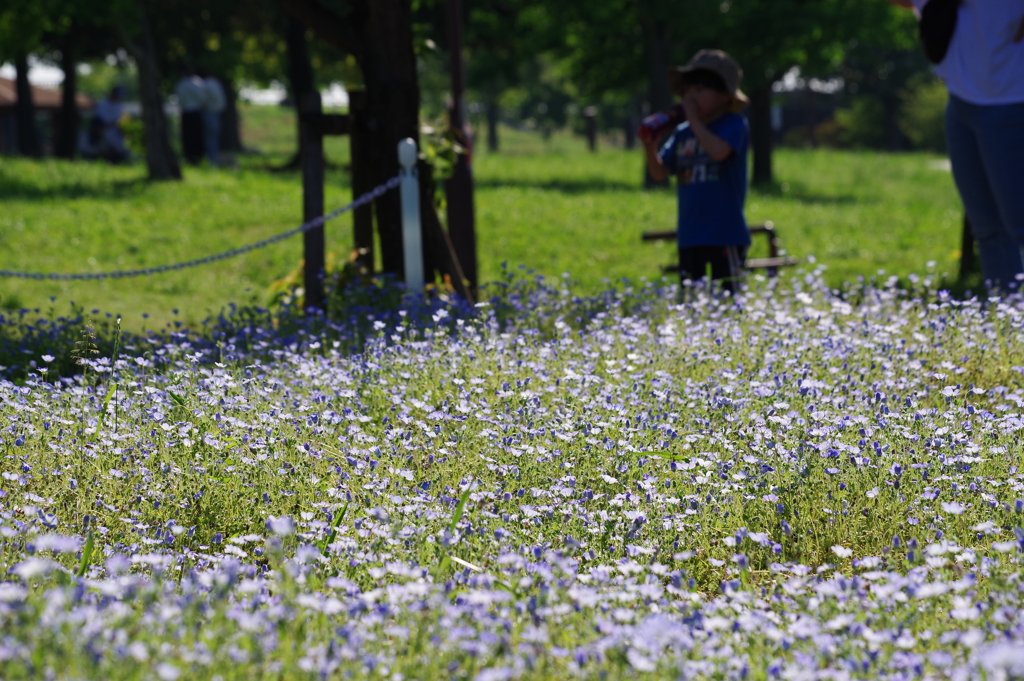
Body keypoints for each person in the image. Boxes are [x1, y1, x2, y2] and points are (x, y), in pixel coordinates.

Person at [887, 0, 1024, 292]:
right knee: (987, 229)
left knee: (1019, 223)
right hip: (961, 101)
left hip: (1012, 100)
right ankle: (1010, 321)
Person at [642, 49, 750, 294]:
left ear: (724, 95)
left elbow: (719, 152)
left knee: (729, 300)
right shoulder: (683, 133)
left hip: (725, 232)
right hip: (690, 234)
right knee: (691, 304)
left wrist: (693, 120)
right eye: (687, 91)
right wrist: (650, 146)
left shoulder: (734, 125)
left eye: (700, 90)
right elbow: (660, 173)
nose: (691, 97)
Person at [82, 85, 129, 163]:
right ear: (113, 93)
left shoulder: (119, 105)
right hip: (103, 132)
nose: (118, 97)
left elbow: (121, 119)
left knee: (121, 150)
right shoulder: (103, 104)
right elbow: (102, 121)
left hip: (115, 132)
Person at [175, 64, 207, 165]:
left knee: (188, 137)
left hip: (186, 113)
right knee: (197, 136)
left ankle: (190, 158)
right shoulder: (197, 83)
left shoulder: (180, 84)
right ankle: (198, 157)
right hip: (196, 112)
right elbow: (202, 98)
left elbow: (180, 100)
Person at [197, 67, 226, 166]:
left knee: (208, 139)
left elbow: (202, 100)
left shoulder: (204, 85)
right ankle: (213, 160)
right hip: (217, 113)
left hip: (208, 112)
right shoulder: (215, 83)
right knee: (214, 137)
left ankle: (211, 161)